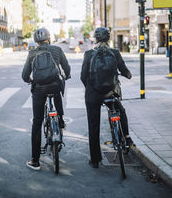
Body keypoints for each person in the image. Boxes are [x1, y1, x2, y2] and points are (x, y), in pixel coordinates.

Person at [80, 27, 133, 169]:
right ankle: (126, 139)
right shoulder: (114, 53)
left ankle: (96, 160)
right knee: (120, 111)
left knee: (93, 124)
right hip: (110, 92)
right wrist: (128, 75)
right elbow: (124, 71)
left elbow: (83, 76)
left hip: (93, 94)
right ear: (108, 38)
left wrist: (91, 89)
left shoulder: (89, 54)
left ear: (95, 39)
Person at [22, 28, 71, 170]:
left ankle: (35, 160)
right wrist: (66, 75)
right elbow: (66, 68)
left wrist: (29, 80)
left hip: (39, 89)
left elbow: (25, 75)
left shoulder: (32, 54)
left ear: (36, 42)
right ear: (49, 38)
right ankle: (60, 121)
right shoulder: (57, 50)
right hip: (55, 86)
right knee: (57, 95)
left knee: (37, 122)